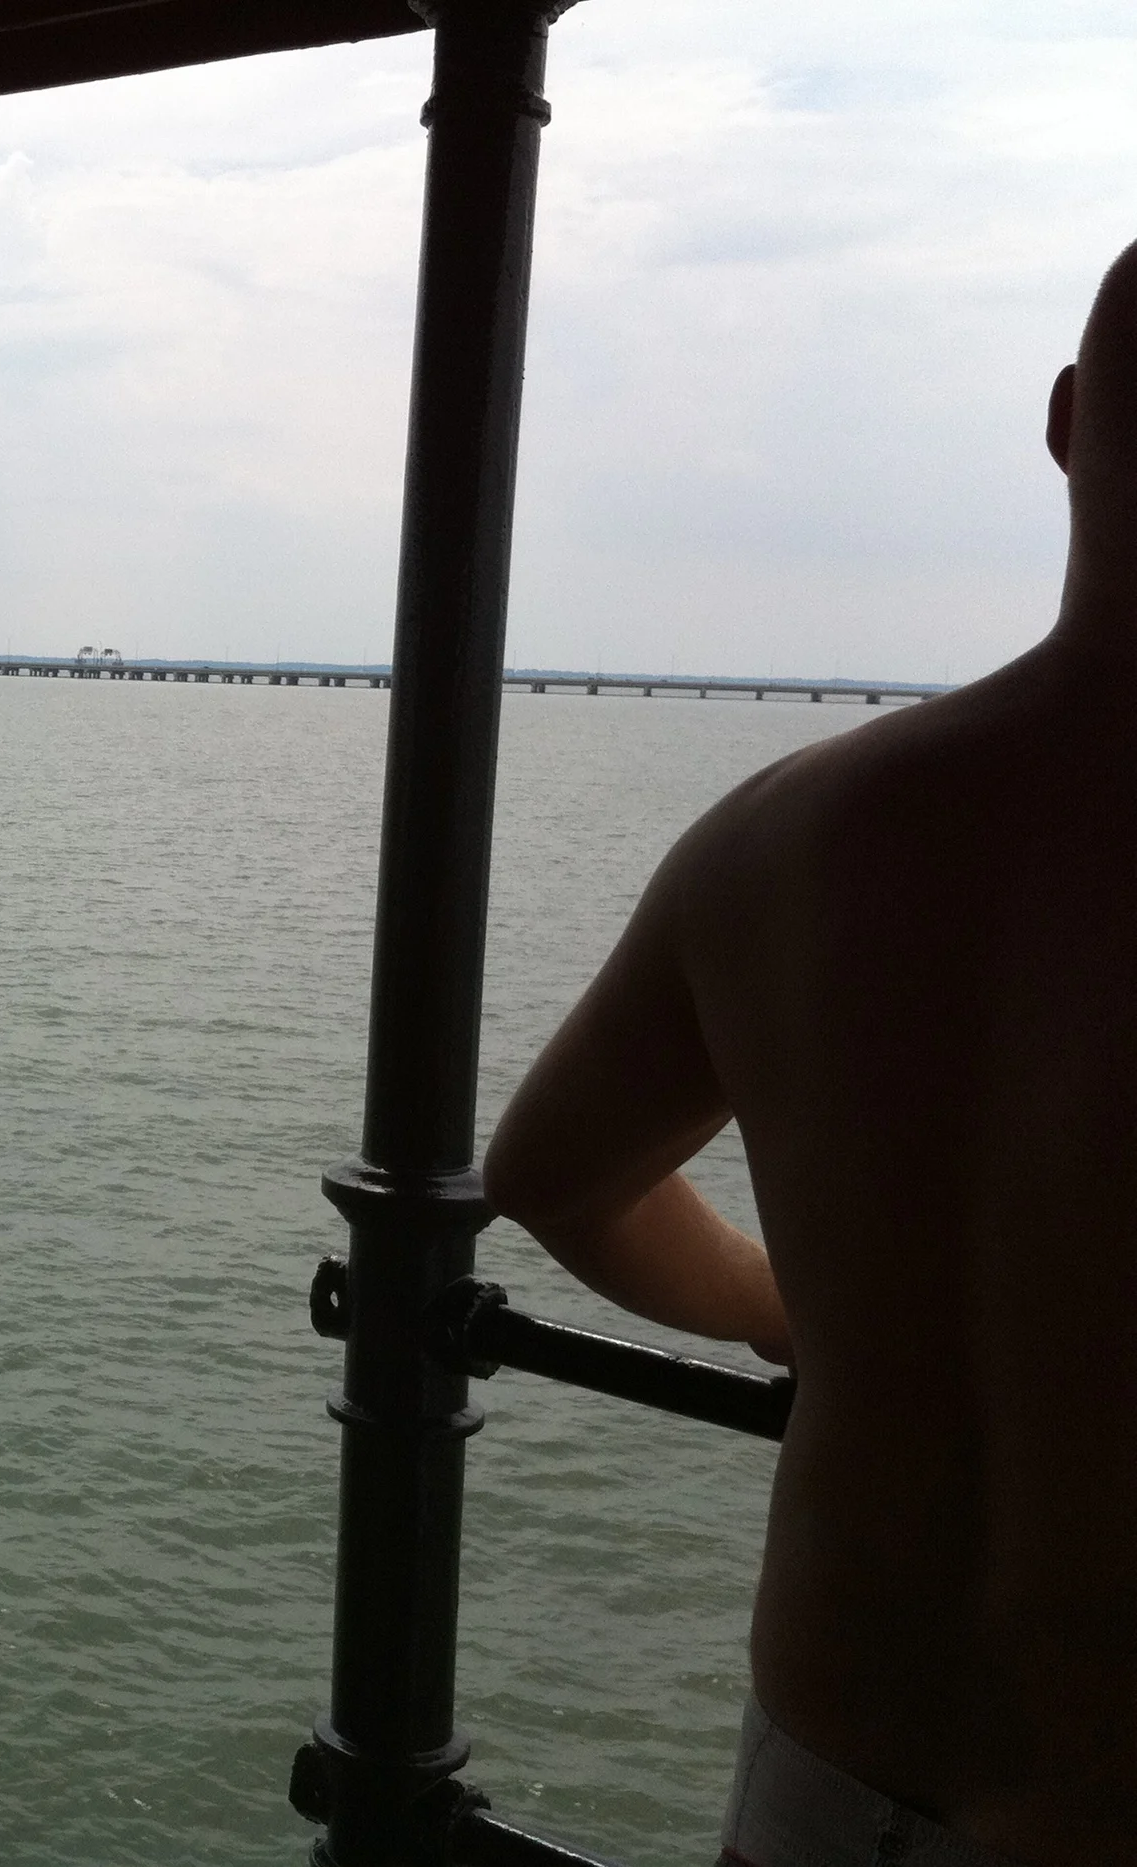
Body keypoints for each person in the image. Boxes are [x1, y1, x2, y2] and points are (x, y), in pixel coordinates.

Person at [481, 243, 1137, 1867]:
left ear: (1067, 422)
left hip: (829, 1777)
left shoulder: (792, 833)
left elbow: (552, 1173)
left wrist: (801, 1307)